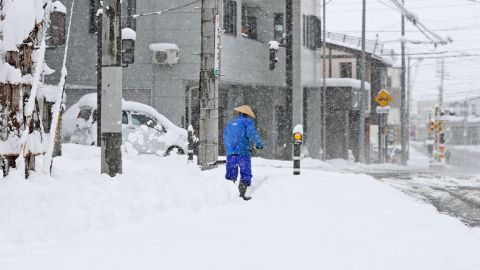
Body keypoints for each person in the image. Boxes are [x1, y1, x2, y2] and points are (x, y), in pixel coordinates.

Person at [223, 105, 264, 200]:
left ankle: (228, 197)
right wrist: (259, 144)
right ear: (247, 115)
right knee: (245, 174)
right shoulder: (248, 122)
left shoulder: (230, 123)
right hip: (243, 152)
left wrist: (229, 149)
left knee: (230, 175)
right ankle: (240, 195)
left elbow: (225, 137)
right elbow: (252, 134)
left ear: (239, 113)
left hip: (231, 153)